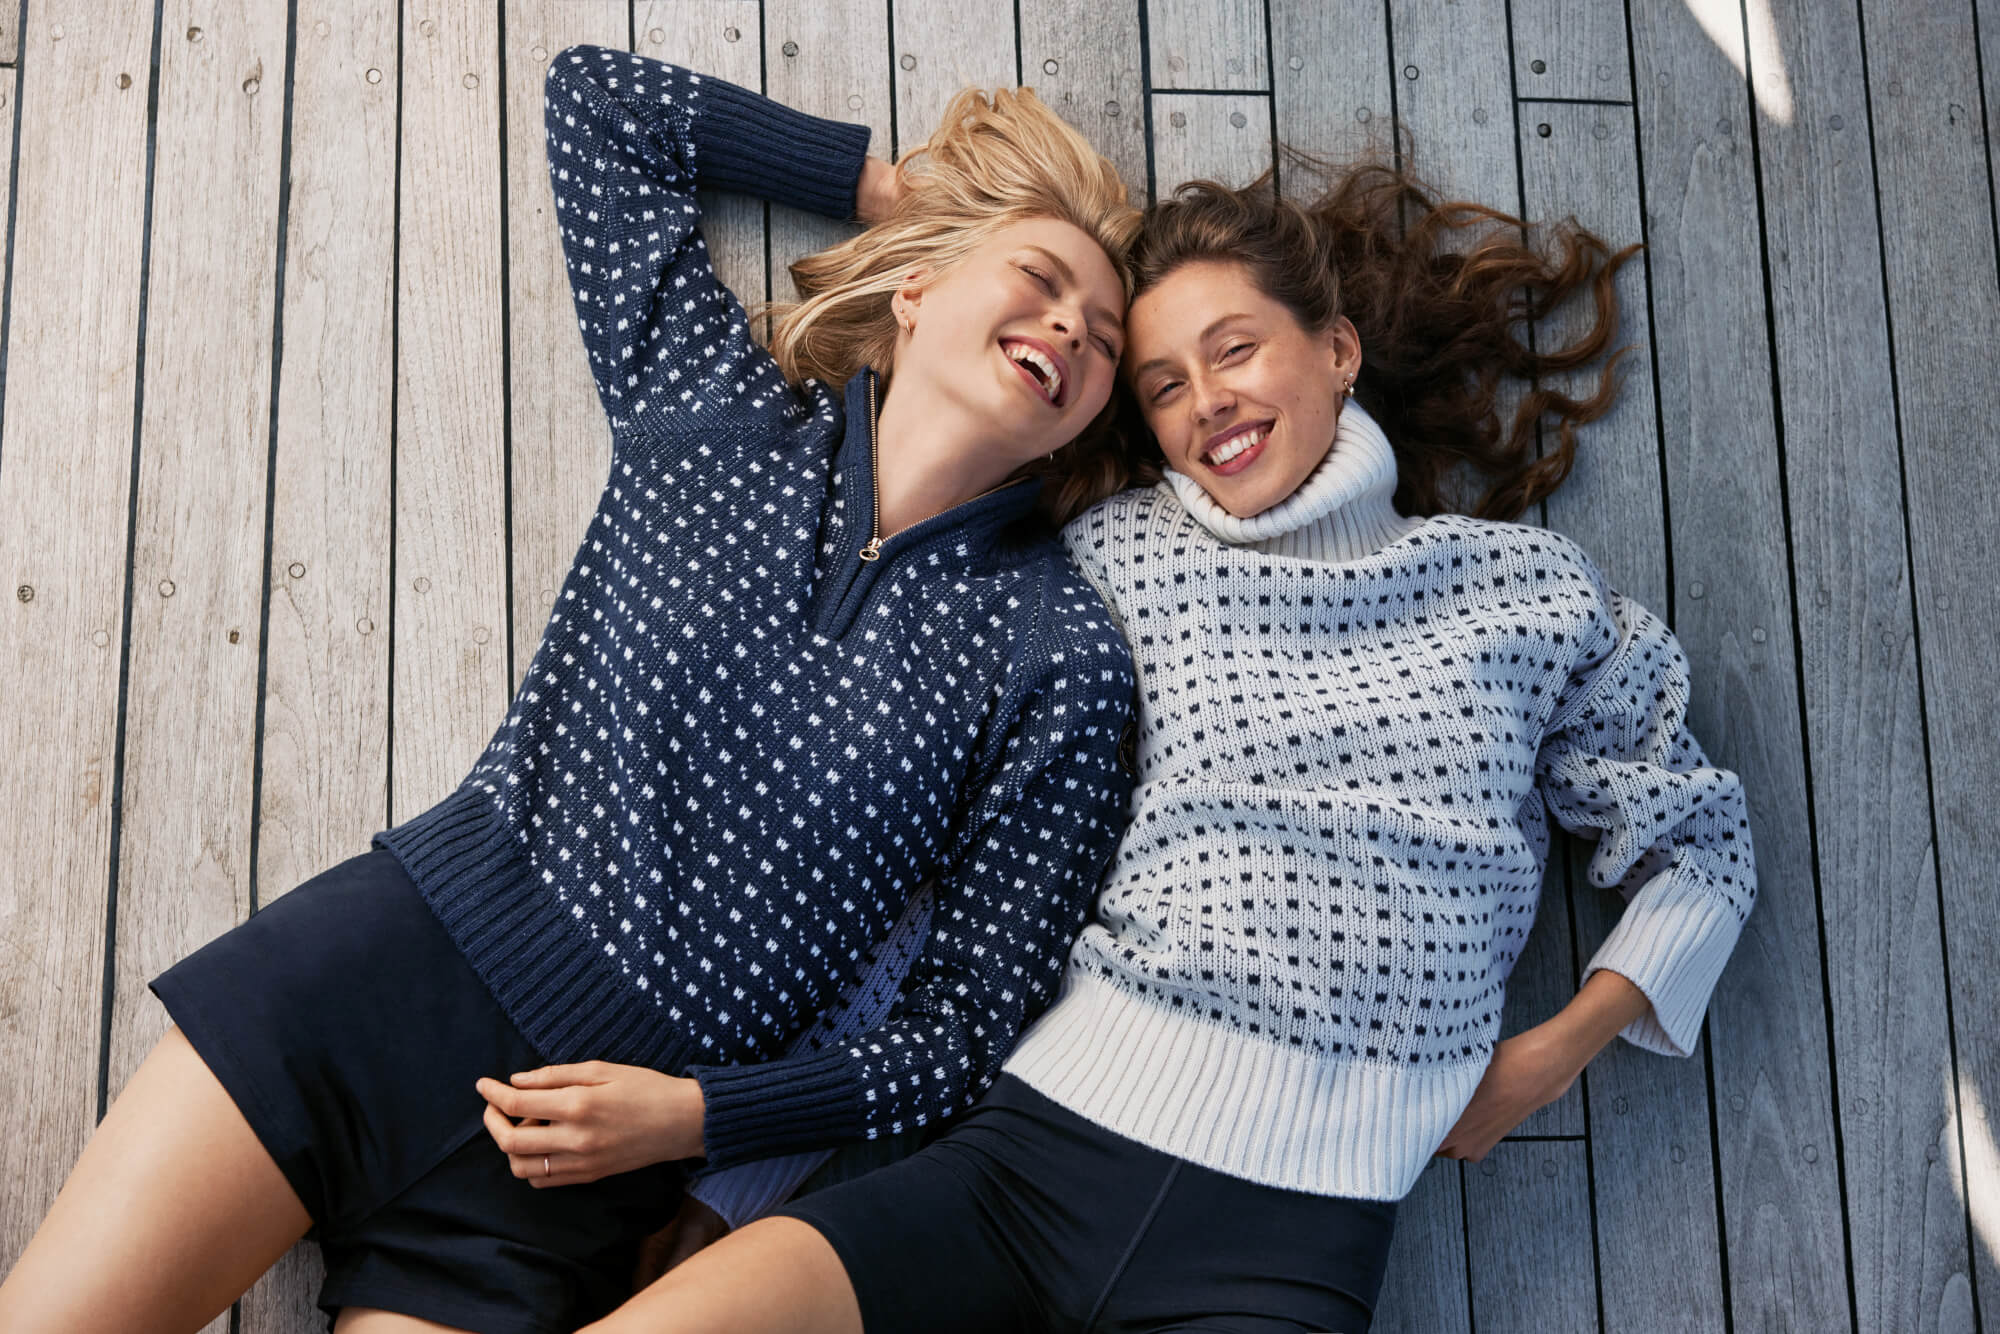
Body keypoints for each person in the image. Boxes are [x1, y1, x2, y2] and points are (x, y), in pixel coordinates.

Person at [0, 44, 1146, 1334]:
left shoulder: (1063, 662)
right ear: (922, 293)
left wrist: (705, 1117)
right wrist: (886, 190)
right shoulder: (712, 414)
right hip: (371, 988)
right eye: (1039, 283)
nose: (1067, 330)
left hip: (577, 1179)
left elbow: (960, 1032)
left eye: (1102, 341)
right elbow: (600, 105)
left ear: (1086, 418)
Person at [575, 154, 1757, 1334]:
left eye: (1233, 350)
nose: (1209, 402)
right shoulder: (1115, 559)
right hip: (1023, 1157)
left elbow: (1701, 841)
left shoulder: (1530, 593)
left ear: (1335, 351)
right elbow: (945, 885)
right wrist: (731, 1182)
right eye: (1161, 385)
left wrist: (1547, 1054)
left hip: (1294, 1249)